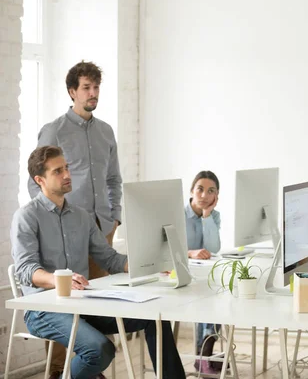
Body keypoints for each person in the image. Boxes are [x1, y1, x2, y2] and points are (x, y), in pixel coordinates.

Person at [13, 146, 185, 379]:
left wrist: (151, 264)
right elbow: (25, 269)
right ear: (39, 180)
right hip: (43, 310)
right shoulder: (27, 216)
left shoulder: (81, 216)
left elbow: (109, 258)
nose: (67, 175)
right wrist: (58, 280)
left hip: (82, 304)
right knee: (99, 349)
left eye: (67, 168)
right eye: (58, 171)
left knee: (155, 318)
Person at [27, 61, 124, 376]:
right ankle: (57, 371)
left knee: (97, 304)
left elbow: (114, 180)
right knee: (63, 304)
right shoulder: (54, 130)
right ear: (72, 91)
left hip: (100, 227)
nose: (93, 93)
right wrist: (49, 221)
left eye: (96, 87)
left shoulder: (106, 131)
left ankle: (90, 369)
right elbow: (35, 181)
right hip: (62, 226)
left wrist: (114, 217)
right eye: (86, 88)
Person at [185, 171, 222, 373]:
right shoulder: (178, 213)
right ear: (191, 191)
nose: (204, 196)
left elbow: (213, 248)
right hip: (181, 274)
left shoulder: (214, 216)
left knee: (222, 292)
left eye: (211, 191)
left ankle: (206, 350)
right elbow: (164, 248)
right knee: (208, 295)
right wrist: (190, 252)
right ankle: (204, 354)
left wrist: (207, 217)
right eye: (200, 189)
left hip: (203, 276)